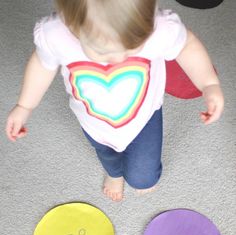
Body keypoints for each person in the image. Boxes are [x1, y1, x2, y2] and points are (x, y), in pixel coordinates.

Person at [5, 0, 224, 202]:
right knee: (106, 153)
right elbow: (42, 66)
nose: (118, 59)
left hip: (144, 117)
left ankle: (139, 177)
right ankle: (114, 174)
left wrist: (208, 84)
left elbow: (188, 47)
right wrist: (25, 106)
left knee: (143, 176)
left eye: (131, 48)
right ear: (71, 25)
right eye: (103, 53)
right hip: (92, 121)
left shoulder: (160, 29)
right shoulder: (56, 34)